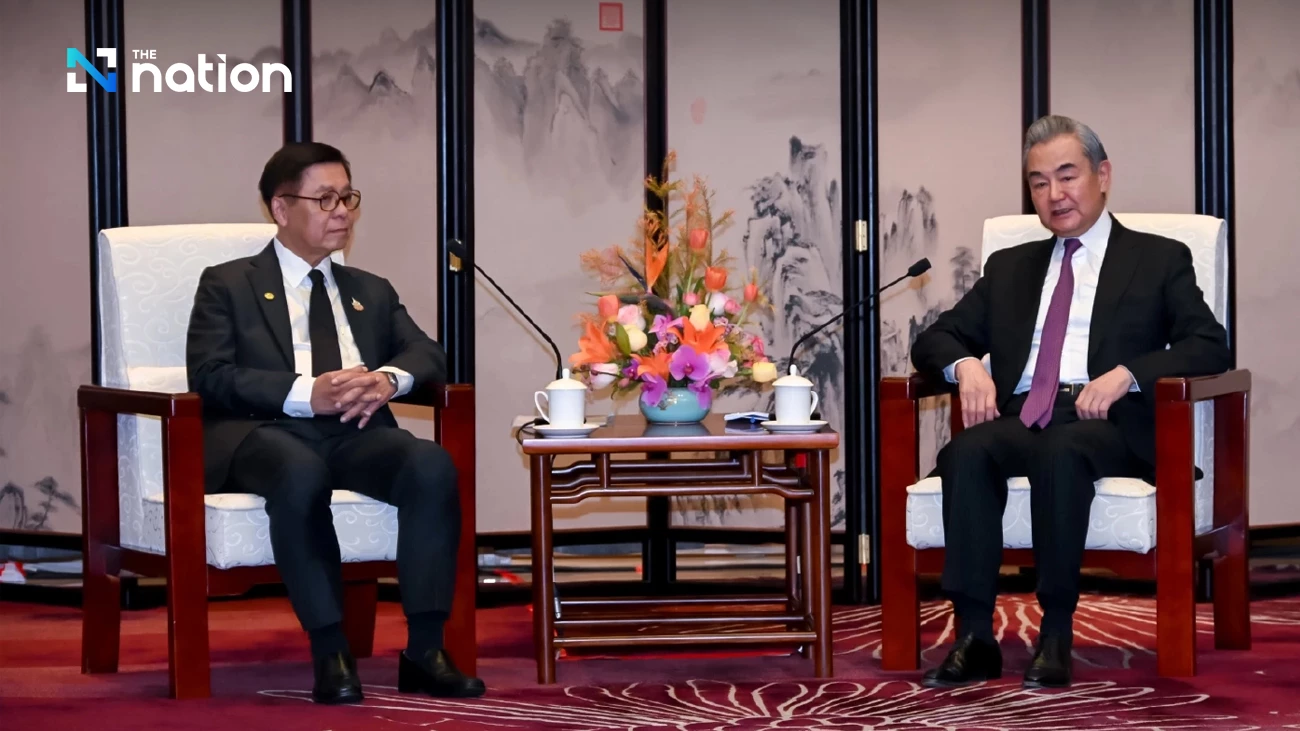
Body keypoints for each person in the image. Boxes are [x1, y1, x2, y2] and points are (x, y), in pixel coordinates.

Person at [910, 115, 1230, 689]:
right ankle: (974, 636)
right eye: (1039, 182)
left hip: (1107, 423)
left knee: (1061, 451)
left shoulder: (1158, 258)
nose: (1054, 194)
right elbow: (935, 339)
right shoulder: (1012, 267)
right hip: (1025, 413)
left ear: (1102, 176)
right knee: (966, 452)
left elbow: (1210, 344)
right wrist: (966, 368)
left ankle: (1055, 632)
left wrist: (1129, 374)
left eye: (1067, 175)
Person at [186, 142, 485, 704]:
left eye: (348, 197)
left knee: (429, 464)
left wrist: (388, 380)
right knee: (300, 472)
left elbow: (428, 354)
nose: (342, 211)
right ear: (280, 208)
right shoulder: (228, 284)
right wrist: (307, 394)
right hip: (265, 433)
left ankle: (425, 650)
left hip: (354, 434)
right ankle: (331, 651)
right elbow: (210, 375)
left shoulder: (370, 289)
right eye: (325, 199)